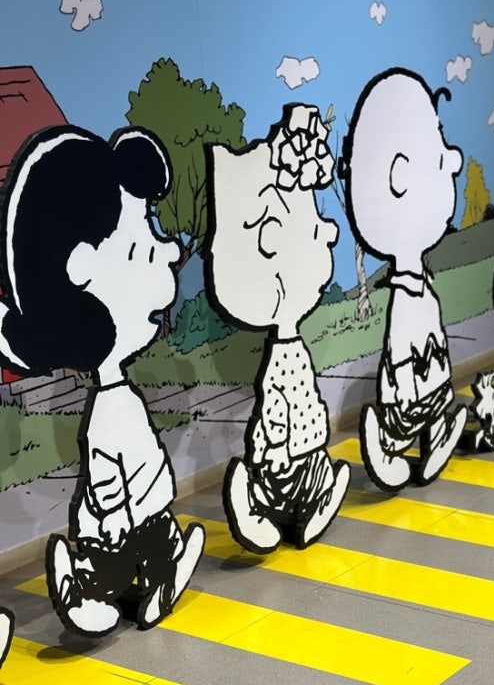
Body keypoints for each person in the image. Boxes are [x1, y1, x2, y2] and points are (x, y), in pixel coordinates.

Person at [0, 125, 204, 637]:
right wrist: (111, 513)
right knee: (119, 550)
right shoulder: (109, 412)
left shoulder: (118, 403)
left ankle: (147, 577)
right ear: (84, 269)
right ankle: (91, 590)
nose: (167, 253)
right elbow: (110, 473)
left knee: (146, 538)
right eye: (141, 248)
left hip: (141, 511)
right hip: (119, 521)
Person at [206, 104, 349, 552]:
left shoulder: (291, 349)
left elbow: (298, 407)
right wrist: (277, 445)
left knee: (298, 441)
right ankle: (263, 504)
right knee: (281, 425)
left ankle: (310, 499)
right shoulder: (282, 351)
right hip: (285, 442)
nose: (327, 232)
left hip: (300, 440)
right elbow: (280, 407)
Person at [342, 68, 468, 491]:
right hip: (409, 385)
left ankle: (433, 434)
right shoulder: (406, 296)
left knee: (431, 396)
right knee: (407, 406)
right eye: (438, 148)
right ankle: (391, 444)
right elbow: (399, 349)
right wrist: (408, 379)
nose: (453, 159)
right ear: (399, 177)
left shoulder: (421, 287)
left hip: (430, 375)